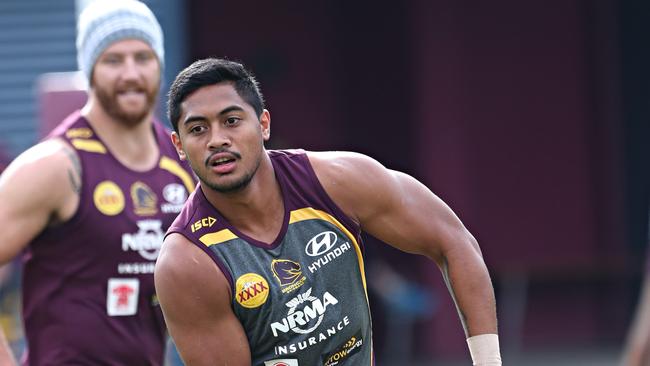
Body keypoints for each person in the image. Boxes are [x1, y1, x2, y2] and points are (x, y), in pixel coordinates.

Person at [155, 57, 502, 366]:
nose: (217, 140)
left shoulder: (338, 180)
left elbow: (454, 241)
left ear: (263, 125)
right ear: (179, 146)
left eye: (231, 121)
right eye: (198, 129)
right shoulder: (187, 263)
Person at [0, 0, 195, 364]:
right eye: (113, 60)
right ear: (89, 70)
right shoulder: (57, 165)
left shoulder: (182, 162)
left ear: (160, 65)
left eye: (143, 57)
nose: (131, 74)